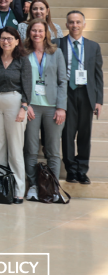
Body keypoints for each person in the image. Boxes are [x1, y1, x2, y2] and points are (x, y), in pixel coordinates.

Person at [0, 26, 32, 203]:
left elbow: (27, 85)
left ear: (17, 41)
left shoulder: (22, 60)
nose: (6, 41)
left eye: (10, 38)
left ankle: (18, 190)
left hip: (15, 103)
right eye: (3, 38)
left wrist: (24, 107)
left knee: (15, 147)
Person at [22, 18, 67, 201]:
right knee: (31, 149)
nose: (37, 34)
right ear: (29, 32)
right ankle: (34, 186)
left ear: (46, 33)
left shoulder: (56, 52)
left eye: (40, 31)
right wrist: (25, 104)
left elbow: (62, 81)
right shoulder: (23, 52)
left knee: (53, 150)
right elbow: (20, 80)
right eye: (34, 30)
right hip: (32, 107)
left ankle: (53, 188)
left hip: (52, 107)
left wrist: (61, 107)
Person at [56, 11, 104, 185]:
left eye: (78, 22)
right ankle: (71, 169)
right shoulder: (58, 44)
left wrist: (99, 100)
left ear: (84, 25)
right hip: (67, 92)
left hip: (86, 93)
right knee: (68, 133)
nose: (74, 25)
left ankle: (82, 169)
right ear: (66, 25)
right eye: (71, 22)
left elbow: (98, 75)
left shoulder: (93, 46)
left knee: (85, 133)